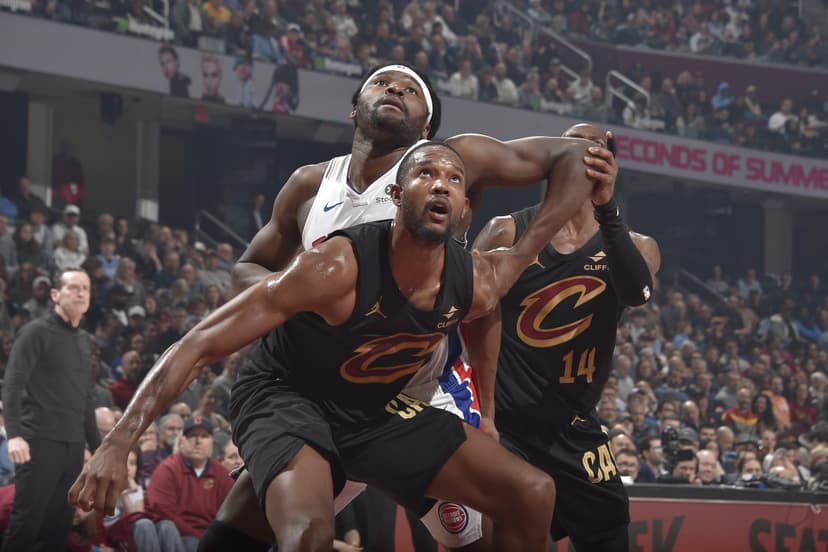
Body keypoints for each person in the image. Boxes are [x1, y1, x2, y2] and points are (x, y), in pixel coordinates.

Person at [70, 140, 596, 552]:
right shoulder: (335, 267)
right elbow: (201, 342)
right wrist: (119, 442)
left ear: (462, 208)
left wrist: (592, 160)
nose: (441, 183)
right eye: (426, 174)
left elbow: (568, 175)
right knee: (308, 535)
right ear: (396, 195)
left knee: (532, 492)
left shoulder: (478, 280)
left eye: (454, 178)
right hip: (287, 394)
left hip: (374, 408)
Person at [215, 63, 611, 551]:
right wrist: (297, 297)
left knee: (481, 536)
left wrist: (524, 253)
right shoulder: (310, 184)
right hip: (322, 391)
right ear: (354, 108)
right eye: (382, 83)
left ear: (427, 127)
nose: (394, 90)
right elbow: (247, 269)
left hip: (418, 392)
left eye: (410, 89)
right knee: (261, 529)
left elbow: (575, 156)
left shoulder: (452, 162)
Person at [467, 124, 660, 551]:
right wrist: (483, 412)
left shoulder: (638, 245)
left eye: (595, 147)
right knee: (507, 534)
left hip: (574, 425)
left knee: (610, 529)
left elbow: (637, 294)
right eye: (572, 143)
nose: (582, 152)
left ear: (610, 164)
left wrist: (607, 209)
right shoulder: (506, 231)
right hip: (506, 423)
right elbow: (469, 315)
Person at [1, 269, 101, 551]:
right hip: (38, 441)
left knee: (58, 528)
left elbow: (85, 397)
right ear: (55, 295)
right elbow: (13, 383)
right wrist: (15, 435)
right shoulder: (35, 332)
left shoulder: (84, 340)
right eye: (73, 287)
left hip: (73, 446)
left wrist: (98, 447)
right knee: (27, 524)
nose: (81, 293)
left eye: (85, 288)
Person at [145, 416, 233, 551]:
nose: (198, 441)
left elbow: (230, 513)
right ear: (182, 441)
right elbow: (162, 511)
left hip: (211, 536)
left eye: (204, 436)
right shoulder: (167, 469)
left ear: (212, 442)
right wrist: (198, 536)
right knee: (170, 529)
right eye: (192, 436)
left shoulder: (221, 474)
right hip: (179, 535)